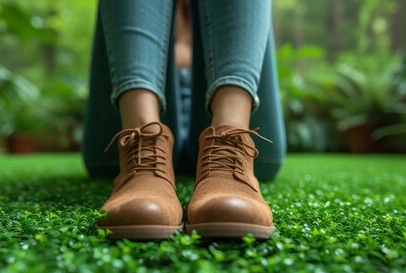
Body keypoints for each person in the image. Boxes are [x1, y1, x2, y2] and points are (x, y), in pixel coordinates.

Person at [83, 0, 285, 240]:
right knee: (142, 125)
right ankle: (142, 135)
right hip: (123, 139)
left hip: (245, 140)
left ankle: (231, 133)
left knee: (230, 124)